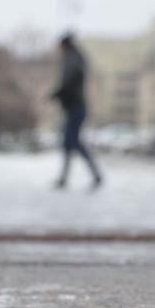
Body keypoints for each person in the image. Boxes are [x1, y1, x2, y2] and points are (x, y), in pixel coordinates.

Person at [51, 33, 102, 190]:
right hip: (74, 107)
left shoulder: (72, 59)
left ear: (64, 46)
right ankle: (65, 178)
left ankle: (95, 175)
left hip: (76, 107)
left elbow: (69, 82)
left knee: (73, 142)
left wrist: (58, 93)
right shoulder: (75, 58)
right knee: (69, 143)